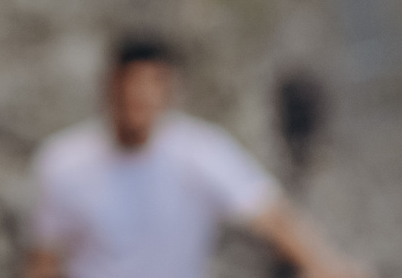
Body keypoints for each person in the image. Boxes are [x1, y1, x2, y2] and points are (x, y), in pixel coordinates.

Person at [25, 35, 361, 278]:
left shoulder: (201, 152)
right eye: (132, 84)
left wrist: (325, 266)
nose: (140, 97)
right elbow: (45, 258)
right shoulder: (63, 161)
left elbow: (271, 215)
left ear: (168, 91)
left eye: (152, 85)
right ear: (111, 86)